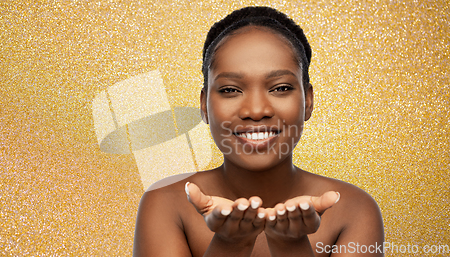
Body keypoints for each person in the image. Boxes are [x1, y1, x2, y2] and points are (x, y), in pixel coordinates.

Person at [133, 6, 384, 257]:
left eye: (280, 88)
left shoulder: (353, 209)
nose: (255, 110)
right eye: (230, 90)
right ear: (204, 106)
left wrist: (290, 245)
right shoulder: (166, 202)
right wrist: (229, 244)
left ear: (308, 101)